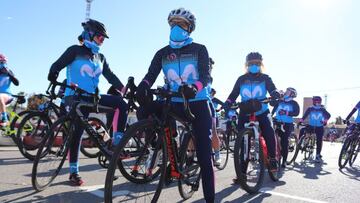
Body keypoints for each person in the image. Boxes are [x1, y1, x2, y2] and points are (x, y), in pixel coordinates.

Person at [135, 8, 215, 202]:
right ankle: (163, 145)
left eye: (182, 24)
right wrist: (143, 86)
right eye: (173, 24)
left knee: (205, 157)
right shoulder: (162, 53)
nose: (176, 28)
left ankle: (211, 199)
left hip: (197, 103)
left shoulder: (199, 49)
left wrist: (194, 87)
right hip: (173, 102)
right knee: (144, 109)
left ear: (190, 29)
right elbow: (150, 76)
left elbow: (205, 76)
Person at [47, 19, 128, 186]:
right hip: (74, 98)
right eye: (100, 36)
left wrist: (125, 90)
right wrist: (53, 73)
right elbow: (57, 65)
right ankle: (73, 172)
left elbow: (111, 77)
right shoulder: (75, 50)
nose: (103, 40)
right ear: (90, 34)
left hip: (92, 98)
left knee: (122, 104)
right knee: (76, 133)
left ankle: (117, 143)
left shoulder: (101, 57)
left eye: (104, 37)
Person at [224, 52, 281, 183]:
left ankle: (272, 159)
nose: (254, 66)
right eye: (251, 64)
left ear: (261, 64)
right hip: (245, 111)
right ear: (246, 65)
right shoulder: (241, 79)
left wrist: (275, 94)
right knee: (242, 142)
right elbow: (233, 94)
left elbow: (273, 89)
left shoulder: (266, 78)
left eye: (257, 63)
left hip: (262, 111)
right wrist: (227, 103)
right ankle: (242, 172)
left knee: (268, 132)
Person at [271, 87, 299, 167]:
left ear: (292, 94)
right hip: (277, 121)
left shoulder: (294, 103)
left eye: (288, 91)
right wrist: (276, 97)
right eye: (286, 91)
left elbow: (296, 112)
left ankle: (284, 161)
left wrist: (286, 112)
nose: (286, 92)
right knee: (271, 138)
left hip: (287, 124)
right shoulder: (280, 101)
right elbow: (273, 105)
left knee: (284, 141)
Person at [299, 96, 331, 163]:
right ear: (313, 101)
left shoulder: (322, 109)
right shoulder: (310, 108)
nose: (317, 102)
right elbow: (305, 116)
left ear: (320, 102)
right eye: (315, 101)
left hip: (319, 127)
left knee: (319, 140)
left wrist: (325, 121)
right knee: (302, 130)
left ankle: (317, 155)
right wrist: (301, 121)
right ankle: (300, 144)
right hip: (311, 126)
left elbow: (328, 115)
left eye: (318, 101)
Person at [0, 54, 19, 128]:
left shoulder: (8, 72)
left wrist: (9, 74)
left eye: (2, 63)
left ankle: (5, 119)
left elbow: (17, 83)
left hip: (7, 96)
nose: (1, 65)